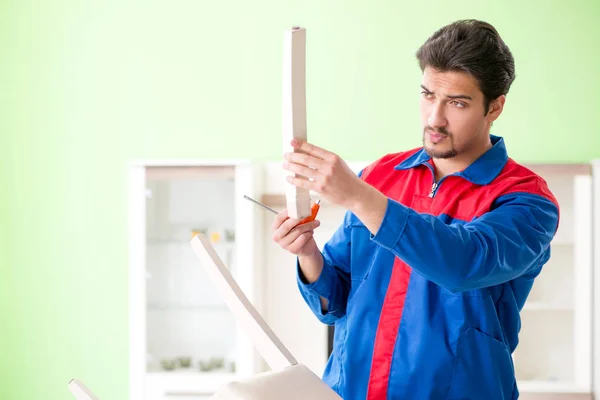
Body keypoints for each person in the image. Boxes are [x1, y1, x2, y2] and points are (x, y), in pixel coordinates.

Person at [271, 19, 560, 400]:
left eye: (457, 102)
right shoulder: (380, 176)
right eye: (427, 95)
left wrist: (360, 196)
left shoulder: (526, 201)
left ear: (495, 107)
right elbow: (336, 300)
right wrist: (307, 251)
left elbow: (464, 262)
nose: (434, 118)